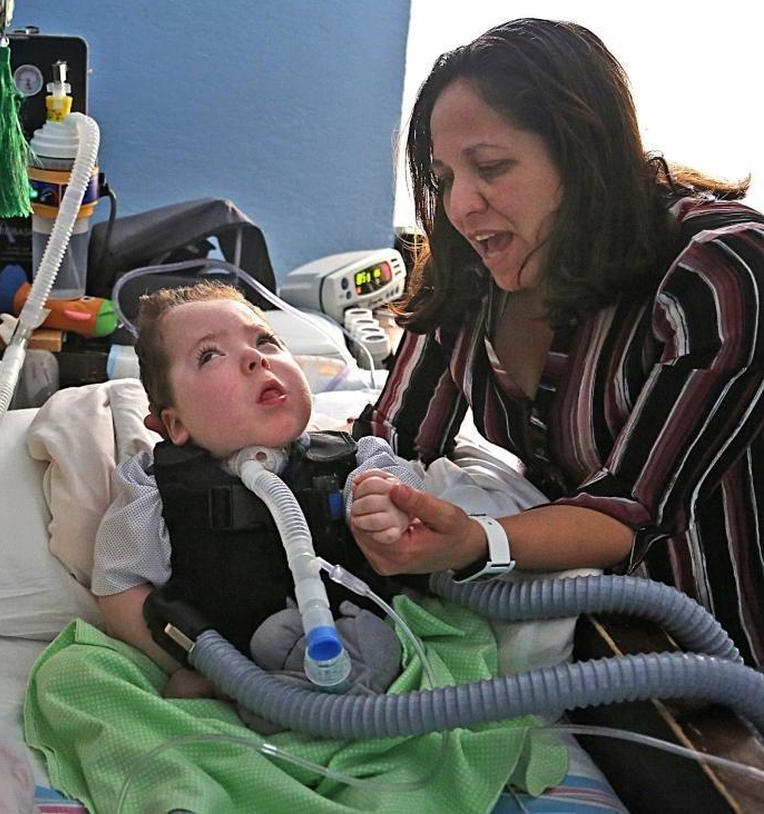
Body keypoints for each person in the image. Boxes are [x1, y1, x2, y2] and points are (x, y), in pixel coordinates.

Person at [367, 18, 764, 668]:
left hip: (722, 665)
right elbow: (388, 444)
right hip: (580, 642)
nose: (461, 205)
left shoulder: (718, 271)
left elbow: (631, 508)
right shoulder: (472, 275)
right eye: (442, 179)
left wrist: (477, 540)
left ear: (584, 153)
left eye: (490, 167)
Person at [90, 281, 515, 699]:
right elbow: (119, 588)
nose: (256, 358)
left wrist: (391, 510)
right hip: (229, 673)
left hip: (355, 647)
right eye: (210, 354)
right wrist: (195, 668)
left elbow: (416, 509)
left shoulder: (356, 459)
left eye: (265, 340)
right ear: (175, 424)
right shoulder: (153, 487)